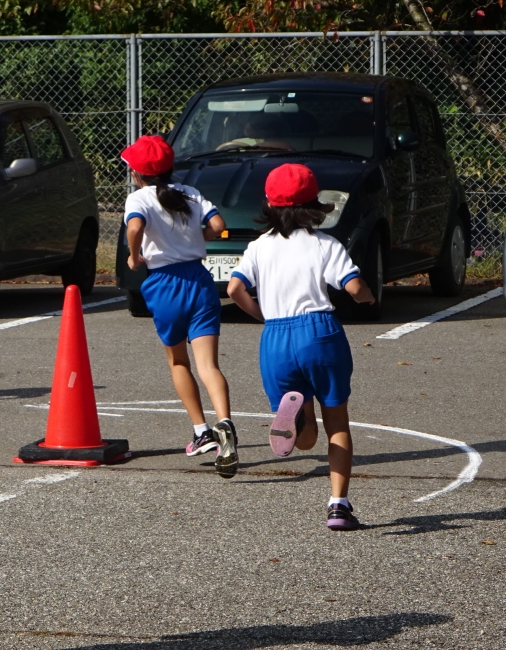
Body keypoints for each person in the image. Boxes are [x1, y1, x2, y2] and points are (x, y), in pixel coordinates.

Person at [226, 163, 375, 531]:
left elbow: (234, 289)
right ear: (314, 205)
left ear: (269, 204)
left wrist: (262, 315)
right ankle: (338, 505)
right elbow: (354, 287)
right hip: (319, 332)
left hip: (276, 337)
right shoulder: (325, 244)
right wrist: (367, 298)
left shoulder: (258, 247)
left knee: (306, 440)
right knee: (337, 423)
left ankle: (296, 419)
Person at [122, 134, 239, 478]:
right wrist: (198, 239)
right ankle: (225, 422)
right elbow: (218, 225)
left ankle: (201, 431)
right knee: (209, 365)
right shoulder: (191, 193)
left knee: (178, 361)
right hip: (200, 281)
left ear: (137, 174)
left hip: (165, 284)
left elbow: (135, 226)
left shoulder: (138, 198)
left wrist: (133, 256)